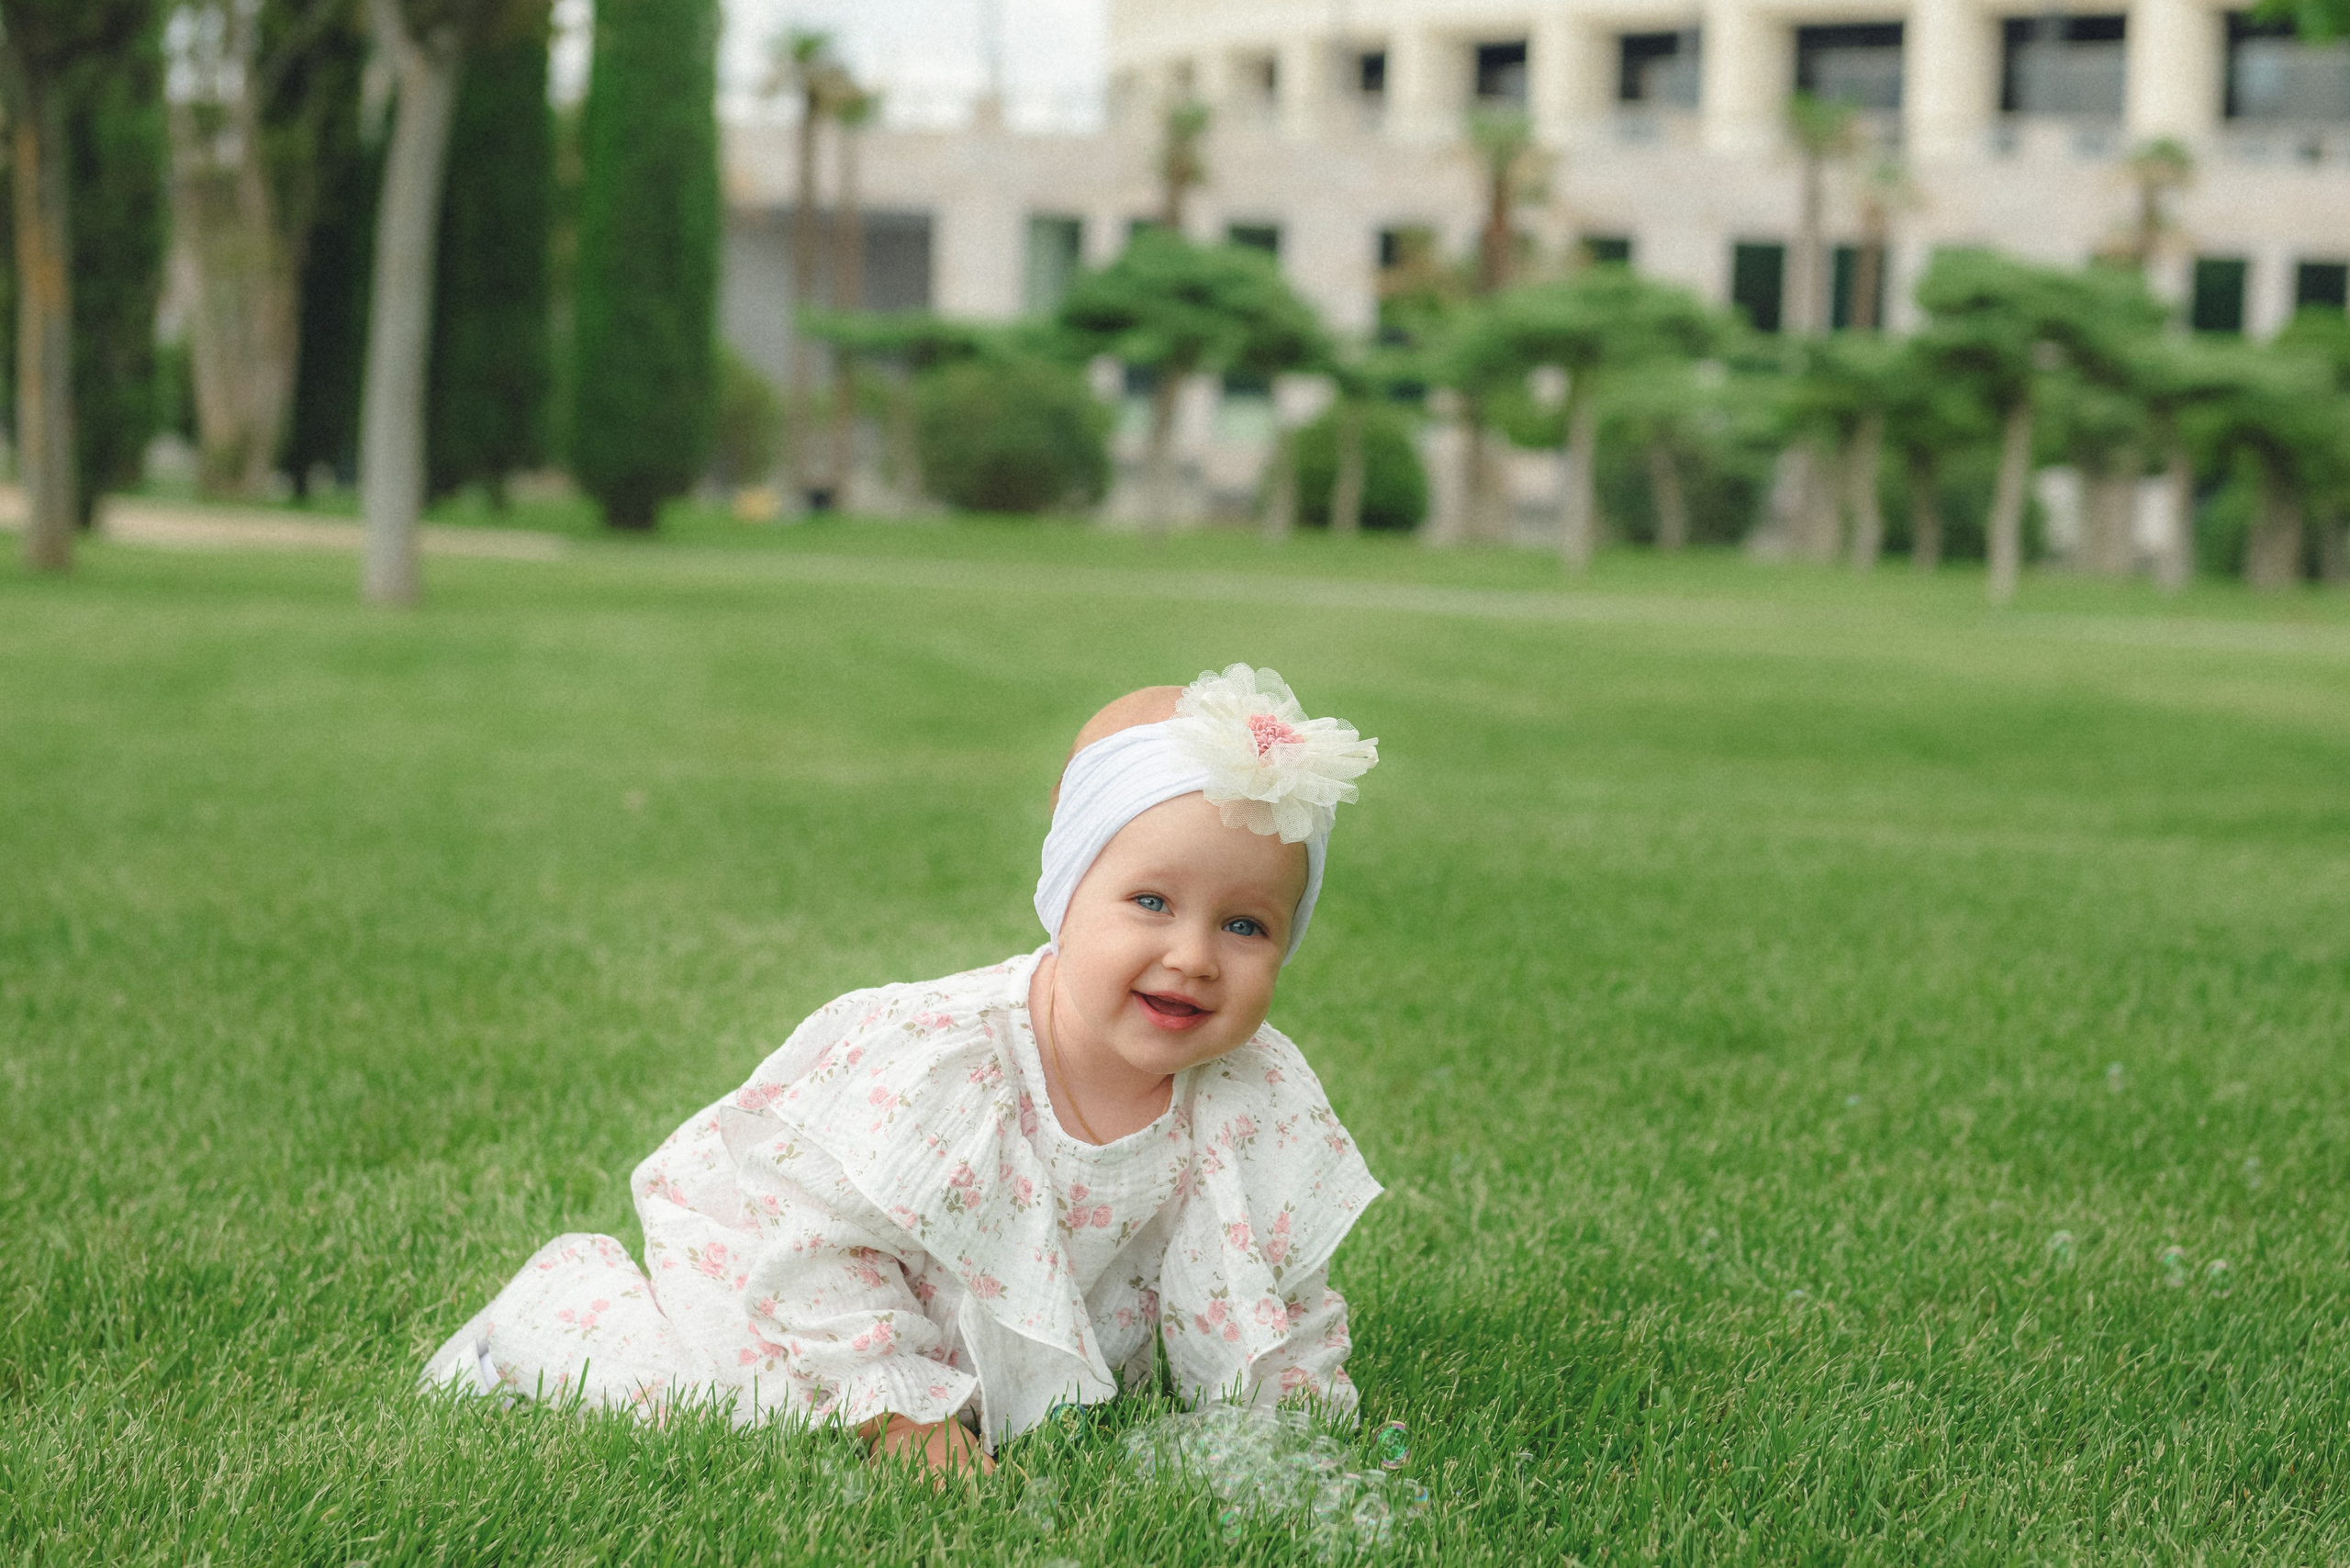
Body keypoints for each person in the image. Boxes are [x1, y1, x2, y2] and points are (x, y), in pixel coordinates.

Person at [421, 664, 1382, 1481]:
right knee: (730, 1401)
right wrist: (903, 1414)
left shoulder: (1255, 1093)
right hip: (813, 1290)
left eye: (1245, 924)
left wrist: (1292, 1432)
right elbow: (816, 1244)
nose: (1193, 955)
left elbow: (1275, 1278)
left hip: (980, 1332)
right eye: (1150, 900)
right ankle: (548, 1315)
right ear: (1067, 887)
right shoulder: (948, 1060)